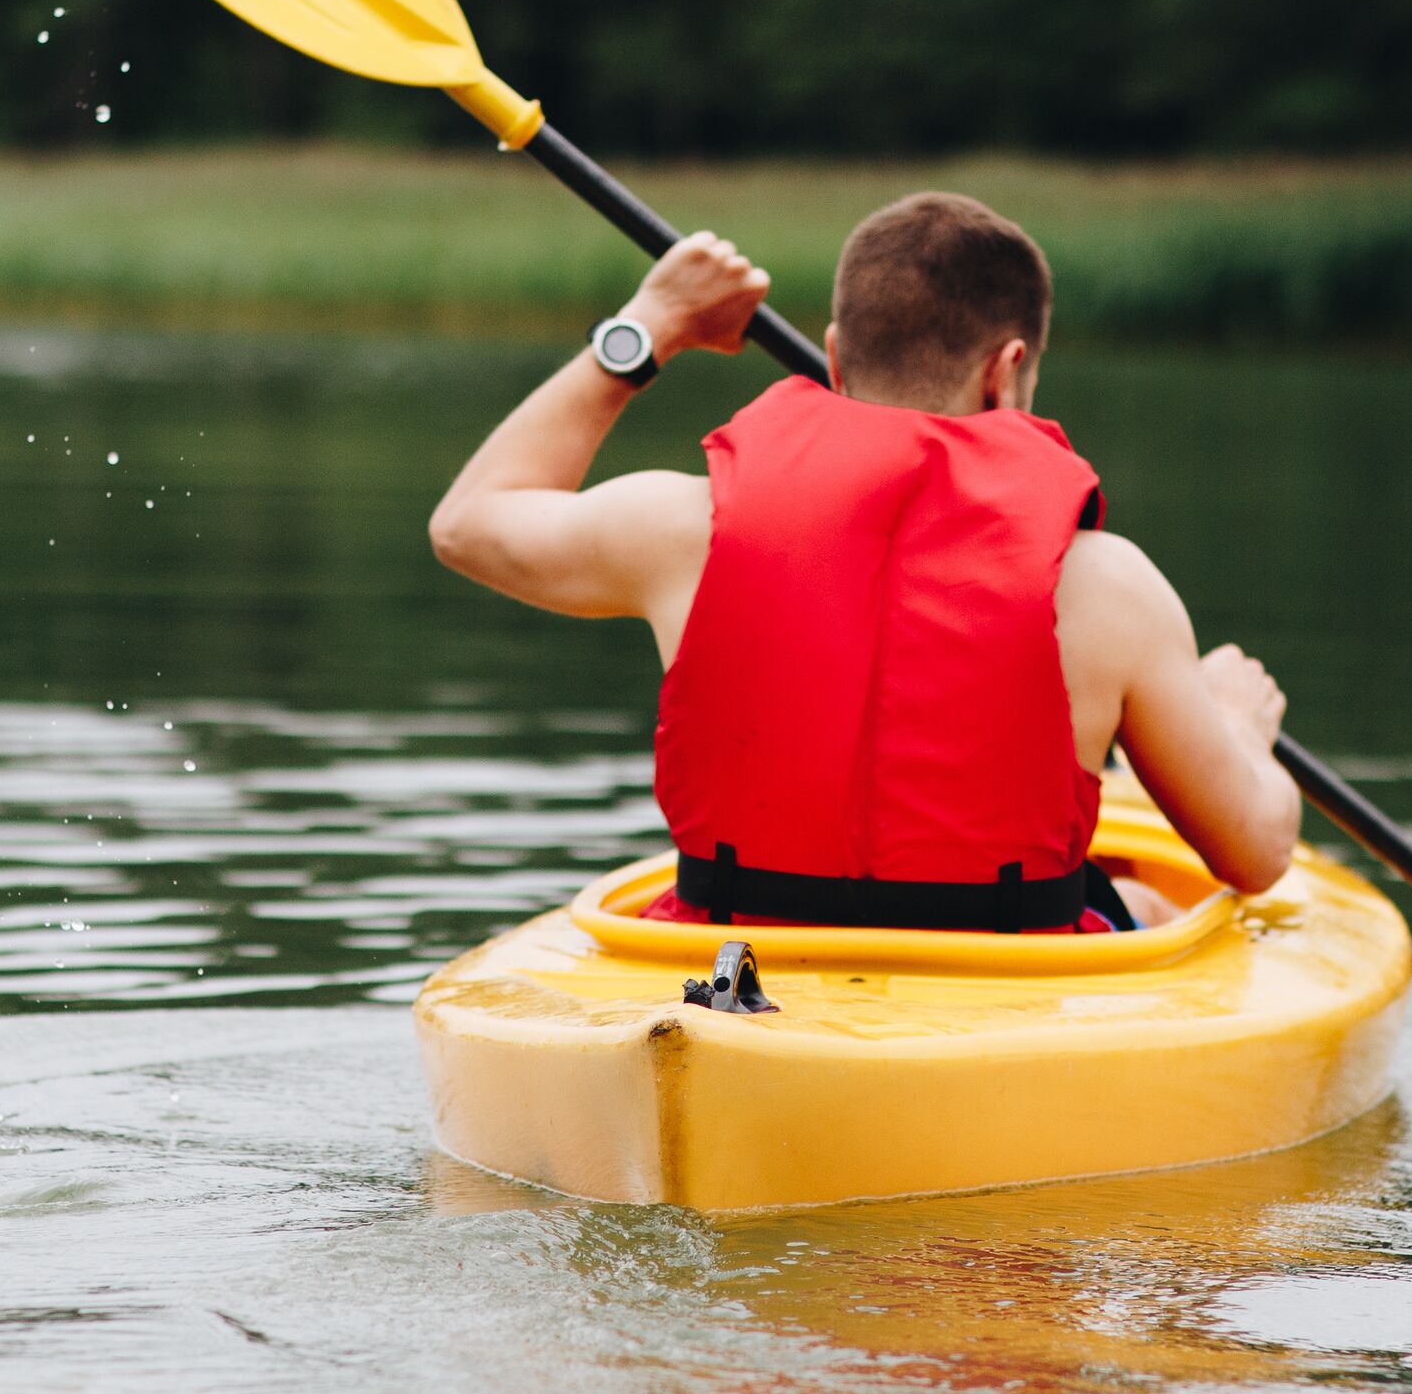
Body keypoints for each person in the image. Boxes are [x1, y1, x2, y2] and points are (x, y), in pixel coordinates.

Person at [427, 190, 1303, 931]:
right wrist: (1238, 730)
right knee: (1148, 905)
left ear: (837, 356)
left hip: (735, 979)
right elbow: (1256, 855)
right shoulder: (1111, 586)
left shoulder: (686, 527)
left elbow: (467, 523)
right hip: (1006, 987)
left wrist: (648, 326)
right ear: (1007, 370)